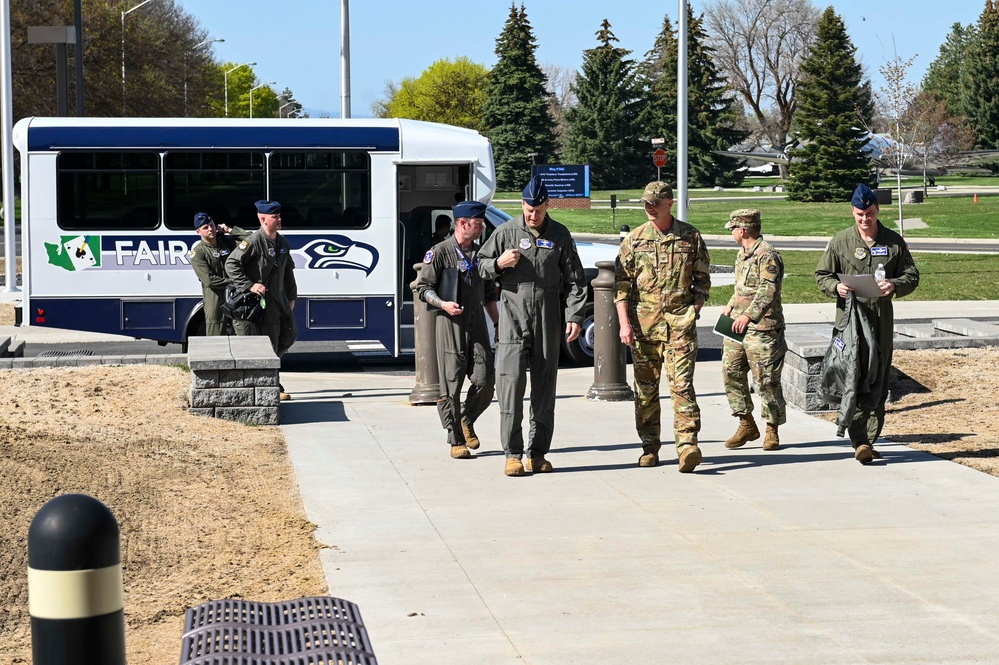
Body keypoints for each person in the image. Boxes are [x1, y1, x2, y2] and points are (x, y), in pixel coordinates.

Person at [477, 175, 586, 477]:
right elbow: (480, 265)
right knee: (510, 385)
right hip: (513, 315)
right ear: (522, 205)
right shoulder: (506, 232)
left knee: (544, 387)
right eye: (528, 209)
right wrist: (499, 263)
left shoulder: (560, 235)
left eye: (538, 209)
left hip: (548, 315)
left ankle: (537, 454)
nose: (533, 215)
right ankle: (512, 454)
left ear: (547, 205)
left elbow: (576, 281)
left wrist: (575, 317)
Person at [815, 183, 920, 464]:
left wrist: (895, 285)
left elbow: (912, 275)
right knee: (854, 376)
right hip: (850, 323)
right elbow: (822, 275)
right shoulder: (841, 241)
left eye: (870, 213)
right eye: (860, 214)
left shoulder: (893, 241)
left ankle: (868, 439)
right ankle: (860, 439)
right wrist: (835, 287)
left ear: (877, 210)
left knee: (878, 378)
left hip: (880, 322)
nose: (865, 219)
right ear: (852, 211)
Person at [615, 181, 710, 472]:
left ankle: (687, 446)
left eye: (655, 203)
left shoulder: (690, 236)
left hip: (680, 327)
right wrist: (624, 325)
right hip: (644, 328)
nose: (649, 207)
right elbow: (621, 287)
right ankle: (649, 447)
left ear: (669, 203)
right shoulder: (634, 239)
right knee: (646, 391)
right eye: (646, 203)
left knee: (681, 386)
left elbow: (702, 279)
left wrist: (693, 309)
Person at [415, 201, 499, 460]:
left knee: (486, 381)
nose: (482, 227)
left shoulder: (481, 255)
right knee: (451, 384)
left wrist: (497, 323)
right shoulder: (439, 252)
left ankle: (466, 417)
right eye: (478, 223)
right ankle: (455, 439)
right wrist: (442, 304)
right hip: (450, 327)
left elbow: (488, 295)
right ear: (463, 224)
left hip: (477, 328)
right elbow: (423, 288)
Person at [719, 209, 787, 452]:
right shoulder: (743, 255)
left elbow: (768, 290)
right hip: (737, 327)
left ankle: (772, 429)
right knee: (731, 371)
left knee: (766, 380)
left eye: (733, 229)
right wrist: (731, 305)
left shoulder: (767, 255)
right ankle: (746, 423)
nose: (732, 233)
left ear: (743, 229)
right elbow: (743, 288)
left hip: (762, 328)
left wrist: (748, 315)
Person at [225, 200, 298, 401]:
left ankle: (271, 379)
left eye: (279, 216)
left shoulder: (282, 242)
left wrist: (292, 296)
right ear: (263, 219)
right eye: (275, 217)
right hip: (262, 303)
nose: (280, 219)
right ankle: (272, 383)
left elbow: (287, 272)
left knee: (289, 336)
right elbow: (232, 264)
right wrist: (250, 285)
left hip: (280, 299)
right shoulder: (253, 241)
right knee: (270, 342)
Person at [189, 212, 250, 336]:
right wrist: (235, 282)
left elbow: (251, 240)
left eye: (211, 225)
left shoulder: (227, 243)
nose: (210, 229)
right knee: (215, 334)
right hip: (215, 296)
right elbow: (209, 280)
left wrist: (229, 230)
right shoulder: (198, 253)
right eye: (205, 227)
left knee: (243, 331)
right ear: (198, 232)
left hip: (235, 295)